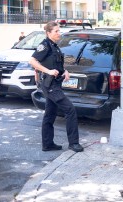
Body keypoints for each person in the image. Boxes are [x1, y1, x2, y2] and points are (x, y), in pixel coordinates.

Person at [29, 21, 84, 152]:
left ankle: (47, 144)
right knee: (70, 110)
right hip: (50, 85)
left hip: (55, 84)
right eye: (56, 31)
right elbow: (32, 61)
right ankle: (73, 143)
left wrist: (64, 71)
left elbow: (56, 64)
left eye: (59, 31)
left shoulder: (54, 46)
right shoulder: (45, 45)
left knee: (50, 114)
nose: (59, 33)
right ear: (48, 33)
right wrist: (48, 71)